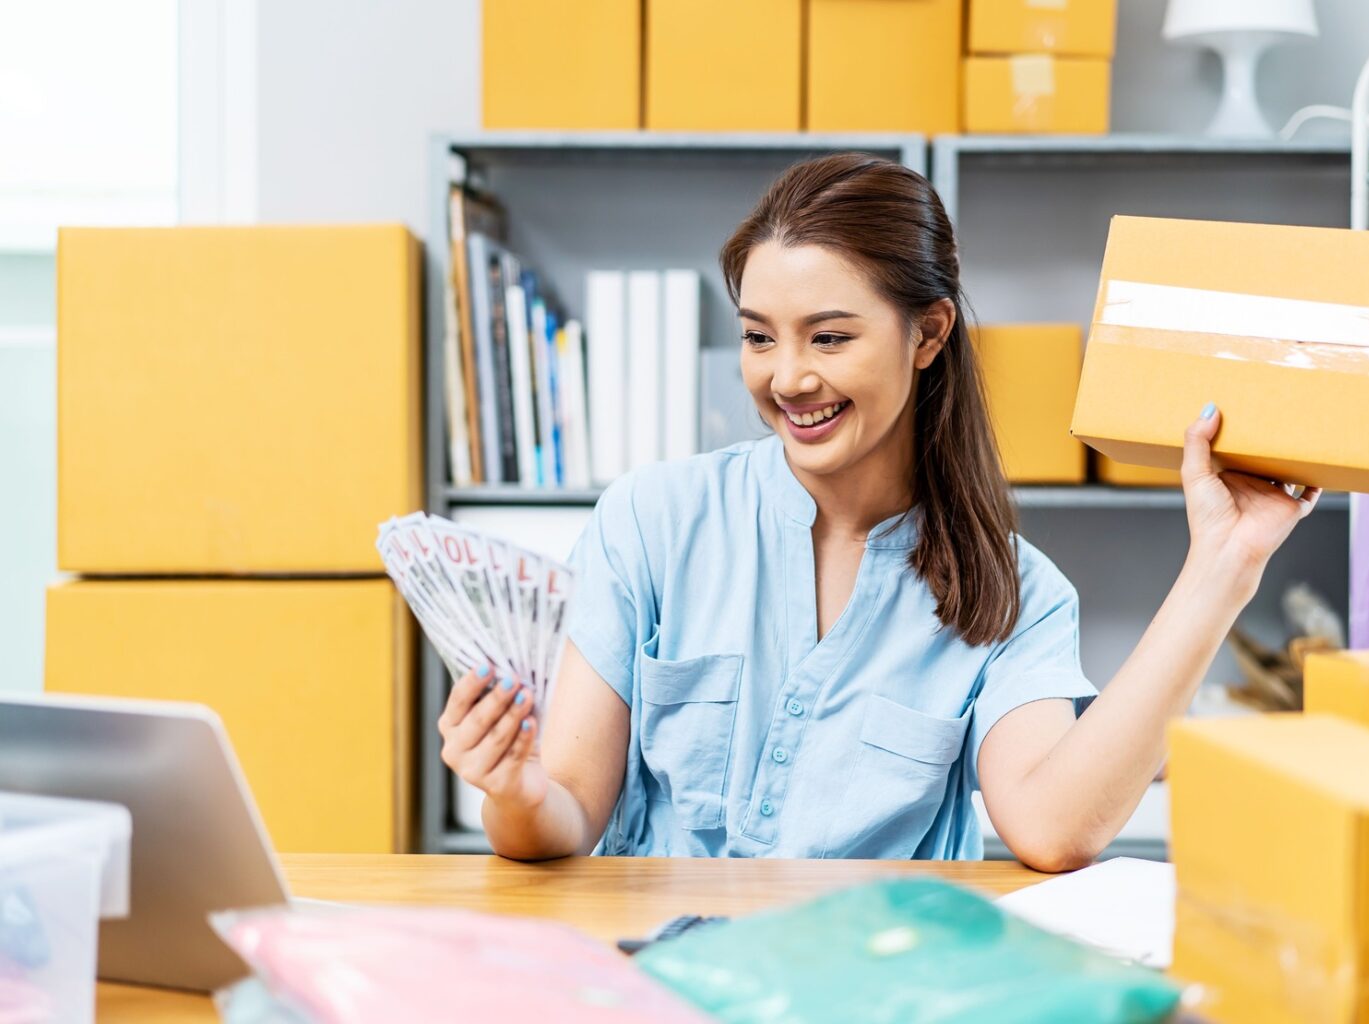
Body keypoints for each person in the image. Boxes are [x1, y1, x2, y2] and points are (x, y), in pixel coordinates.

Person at [437, 153, 1320, 868]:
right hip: (652, 980)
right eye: (757, 336)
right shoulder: (651, 520)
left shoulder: (1013, 591)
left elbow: (1054, 829)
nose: (787, 378)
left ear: (928, 333)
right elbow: (567, 818)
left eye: (829, 336)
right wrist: (512, 793)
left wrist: (1225, 563)